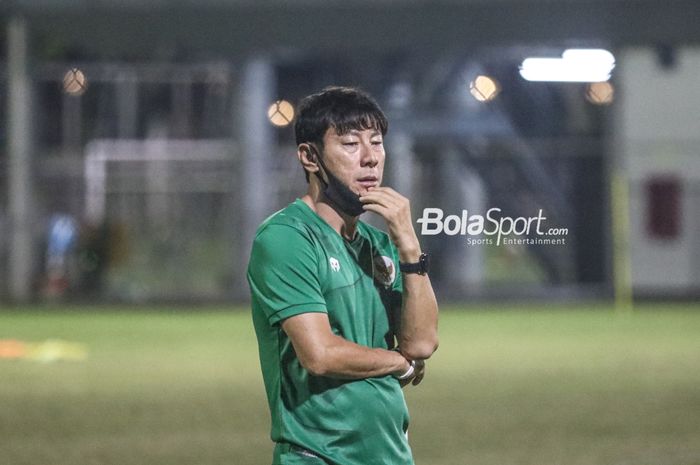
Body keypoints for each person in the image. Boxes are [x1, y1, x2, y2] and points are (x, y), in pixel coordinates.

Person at [247, 86, 439, 465]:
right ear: (309, 156)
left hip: (390, 455)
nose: (370, 159)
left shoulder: (379, 245)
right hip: (318, 456)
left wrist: (410, 247)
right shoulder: (286, 238)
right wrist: (397, 363)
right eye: (350, 144)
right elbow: (320, 354)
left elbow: (421, 343)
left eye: (377, 143)